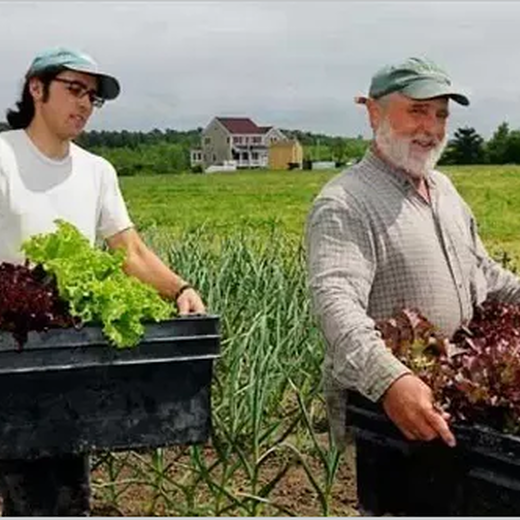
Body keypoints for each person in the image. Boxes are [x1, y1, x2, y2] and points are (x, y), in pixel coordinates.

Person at [0, 47, 206, 515]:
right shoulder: (3, 157)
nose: (85, 104)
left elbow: (128, 250)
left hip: (62, 360)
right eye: (74, 90)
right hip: (7, 353)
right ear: (37, 88)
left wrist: (180, 289)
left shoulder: (97, 172)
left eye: (93, 97)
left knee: (57, 490)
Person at [305, 56, 520, 453]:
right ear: (373, 112)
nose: (431, 129)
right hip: (389, 421)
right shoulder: (345, 203)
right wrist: (391, 379)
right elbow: (336, 305)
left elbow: (483, 273)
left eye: (441, 115)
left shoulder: (444, 190)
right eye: (417, 111)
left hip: (452, 402)